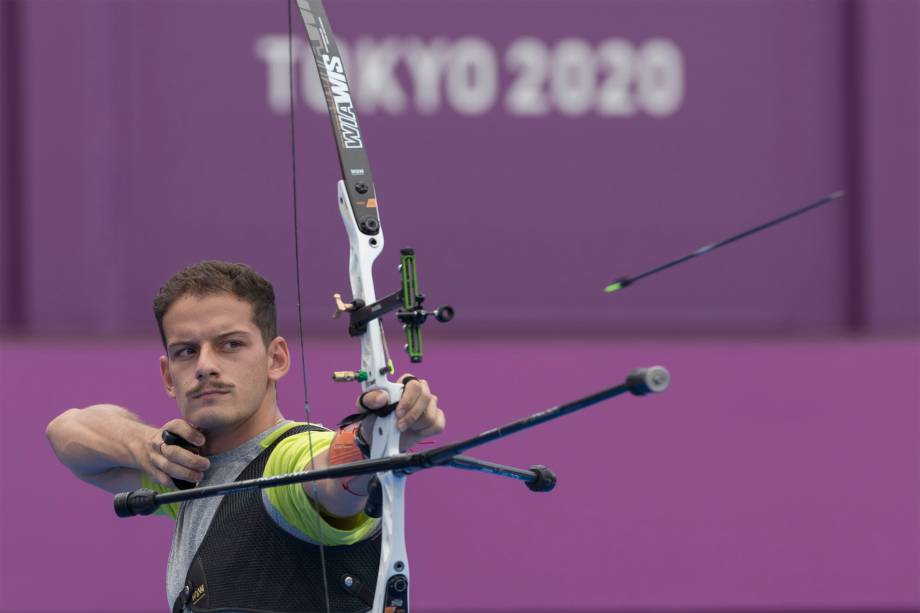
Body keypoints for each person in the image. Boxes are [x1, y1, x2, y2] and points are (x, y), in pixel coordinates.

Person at [45, 260, 444, 613]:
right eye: (186, 351)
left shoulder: (288, 459)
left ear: (276, 359)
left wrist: (374, 436)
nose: (205, 366)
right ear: (168, 376)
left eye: (229, 345)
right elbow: (66, 431)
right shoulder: (188, 470)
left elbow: (327, 477)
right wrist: (145, 446)